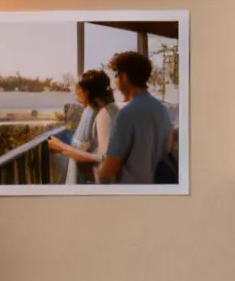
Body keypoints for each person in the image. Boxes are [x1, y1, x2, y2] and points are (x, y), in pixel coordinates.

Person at [97, 50, 173, 185]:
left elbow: (110, 169)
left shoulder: (126, 114)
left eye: (116, 75)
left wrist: (99, 175)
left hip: (131, 190)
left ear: (124, 77)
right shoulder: (162, 110)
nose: (115, 81)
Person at [46, 69, 114, 185]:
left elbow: (101, 157)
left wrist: (61, 147)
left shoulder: (99, 113)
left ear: (86, 92)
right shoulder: (93, 109)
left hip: (90, 180)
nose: (75, 93)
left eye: (78, 89)